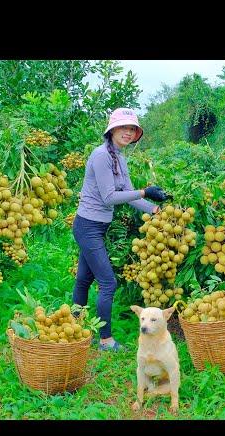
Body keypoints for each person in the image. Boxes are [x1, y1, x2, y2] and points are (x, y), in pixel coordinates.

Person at [72, 108, 169, 351]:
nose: (128, 132)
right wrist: (146, 191)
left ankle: (75, 327)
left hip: (97, 227)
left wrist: (154, 209)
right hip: (87, 226)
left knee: (84, 279)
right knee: (108, 283)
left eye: (132, 129)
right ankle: (105, 340)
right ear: (112, 129)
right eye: (124, 127)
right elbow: (108, 197)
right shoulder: (101, 155)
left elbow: (128, 196)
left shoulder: (119, 158)